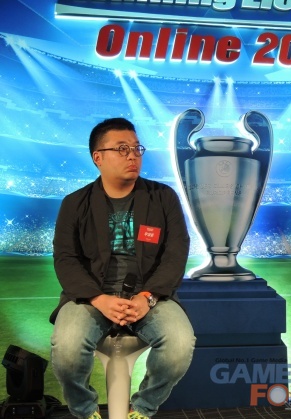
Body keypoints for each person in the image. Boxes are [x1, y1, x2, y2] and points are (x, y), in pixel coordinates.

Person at [50, 118, 196, 419]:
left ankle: (142, 408)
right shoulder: (74, 203)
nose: (133, 155)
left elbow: (176, 253)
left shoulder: (162, 198)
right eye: (122, 149)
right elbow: (66, 259)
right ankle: (85, 410)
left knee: (180, 345)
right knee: (67, 349)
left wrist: (147, 297)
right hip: (90, 297)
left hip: (150, 295)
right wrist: (98, 298)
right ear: (98, 157)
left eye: (136, 148)